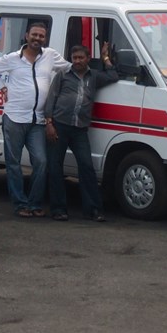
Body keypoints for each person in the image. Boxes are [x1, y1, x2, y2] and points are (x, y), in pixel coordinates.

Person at [0, 21, 70, 218]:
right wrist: (2, 87)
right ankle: (20, 204)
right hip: (14, 117)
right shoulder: (12, 58)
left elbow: (68, 68)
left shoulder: (50, 56)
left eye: (41, 36)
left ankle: (34, 203)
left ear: (45, 38)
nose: (37, 38)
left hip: (37, 121)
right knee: (13, 164)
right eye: (34, 35)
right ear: (26, 35)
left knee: (41, 161)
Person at [44, 42, 118, 222]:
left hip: (79, 129)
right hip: (59, 126)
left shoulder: (94, 76)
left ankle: (93, 210)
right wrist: (49, 123)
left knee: (86, 167)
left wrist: (105, 58)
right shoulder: (63, 75)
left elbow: (113, 75)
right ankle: (58, 209)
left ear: (88, 59)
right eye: (74, 58)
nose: (77, 61)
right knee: (55, 167)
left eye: (80, 58)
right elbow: (51, 98)